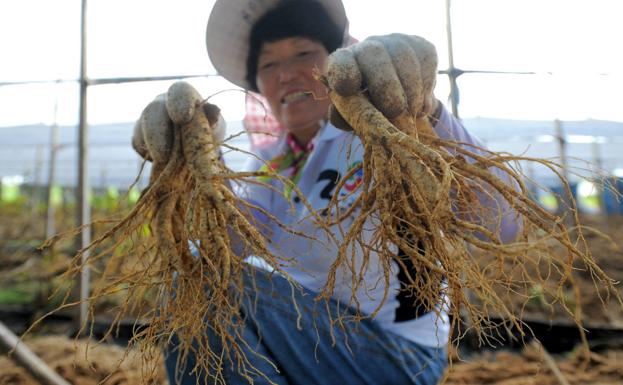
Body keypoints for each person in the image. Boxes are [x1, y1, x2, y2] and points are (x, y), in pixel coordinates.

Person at [152, 0, 521, 384]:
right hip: (305, 345)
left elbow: (504, 226)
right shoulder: (270, 167)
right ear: (257, 85)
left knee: (214, 280)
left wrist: (424, 112)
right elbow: (231, 242)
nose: (288, 74)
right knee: (200, 275)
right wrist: (194, 168)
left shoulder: (383, 134)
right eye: (268, 65)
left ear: (334, 61)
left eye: (304, 53)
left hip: (397, 355)